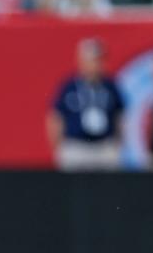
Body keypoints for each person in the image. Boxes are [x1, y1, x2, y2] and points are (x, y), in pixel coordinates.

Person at [47, 38, 125, 171]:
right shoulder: (69, 86)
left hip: (104, 146)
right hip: (76, 146)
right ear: (81, 61)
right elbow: (56, 117)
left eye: (99, 60)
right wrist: (58, 147)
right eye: (93, 60)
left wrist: (117, 145)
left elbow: (120, 117)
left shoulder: (110, 86)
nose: (96, 64)